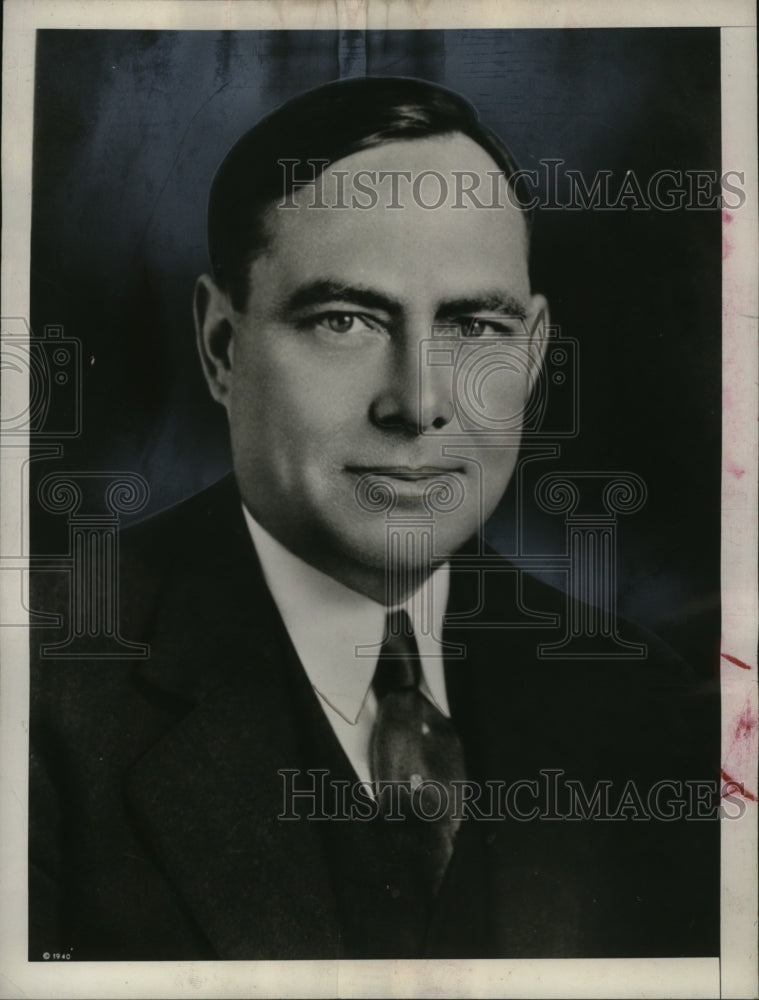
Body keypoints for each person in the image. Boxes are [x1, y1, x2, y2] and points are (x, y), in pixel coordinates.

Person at [29, 76, 719, 961]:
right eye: (345, 319)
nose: (419, 403)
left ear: (536, 354)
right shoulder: (40, 688)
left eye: (474, 326)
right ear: (221, 347)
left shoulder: (637, 698)